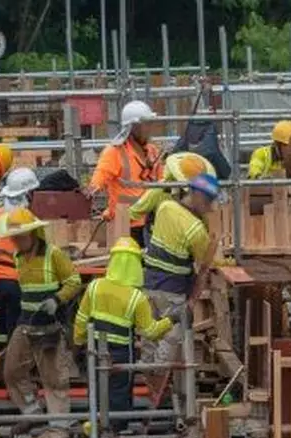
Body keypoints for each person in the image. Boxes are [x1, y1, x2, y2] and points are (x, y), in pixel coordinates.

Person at [74, 237, 174, 438]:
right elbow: (150, 332)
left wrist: (79, 344)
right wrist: (171, 320)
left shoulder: (95, 287)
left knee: (96, 402)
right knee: (117, 409)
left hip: (93, 355)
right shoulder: (135, 298)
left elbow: (81, 321)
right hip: (120, 360)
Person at [0, 208, 82, 438]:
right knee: (12, 371)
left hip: (49, 327)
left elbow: (74, 281)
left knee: (54, 380)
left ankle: (59, 431)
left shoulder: (53, 255)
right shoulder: (18, 257)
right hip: (26, 324)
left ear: (32, 234)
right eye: (13, 237)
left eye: (19, 236)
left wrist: (56, 299)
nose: (15, 241)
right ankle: (32, 411)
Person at [138, 174, 220, 392]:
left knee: (149, 335)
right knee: (171, 339)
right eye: (209, 201)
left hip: (149, 284)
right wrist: (192, 303)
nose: (210, 207)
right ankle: (157, 379)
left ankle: (149, 380)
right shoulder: (195, 230)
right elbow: (203, 269)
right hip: (173, 291)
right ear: (198, 195)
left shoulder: (164, 208)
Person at [86, 100, 162, 246]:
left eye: (149, 124)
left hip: (152, 219)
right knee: (127, 258)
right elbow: (98, 179)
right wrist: (90, 191)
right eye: (145, 125)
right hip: (125, 221)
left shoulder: (152, 151)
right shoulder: (114, 152)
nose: (149, 129)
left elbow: (162, 180)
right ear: (133, 127)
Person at [0, 168, 40, 356]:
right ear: (26, 193)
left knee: (3, 323)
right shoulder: (21, 218)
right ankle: (12, 363)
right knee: (17, 326)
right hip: (13, 279)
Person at [127, 152, 217, 229]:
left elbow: (208, 220)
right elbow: (133, 212)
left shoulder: (203, 198)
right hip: (159, 233)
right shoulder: (160, 190)